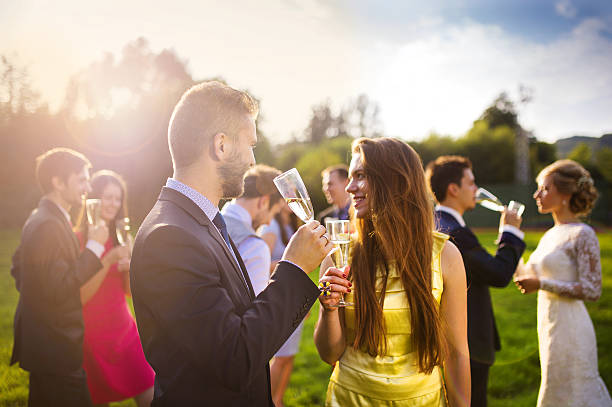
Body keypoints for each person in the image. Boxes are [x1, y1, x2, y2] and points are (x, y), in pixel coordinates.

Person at [129, 81, 332, 406]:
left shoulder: (203, 220)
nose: (253, 160)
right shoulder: (171, 237)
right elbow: (234, 360)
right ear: (220, 146)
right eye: (250, 144)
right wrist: (293, 270)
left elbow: (236, 318)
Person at [314, 138, 470, 406]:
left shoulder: (446, 256)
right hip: (350, 399)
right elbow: (329, 354)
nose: (349, 187)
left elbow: (456, 354)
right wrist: (329, 310)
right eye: (350, 177)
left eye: (360, 176)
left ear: (396, 181)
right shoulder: (339, 256)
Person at [10, 148, 109, 406]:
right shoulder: (47, 224)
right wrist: (94, 248)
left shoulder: (44, 217)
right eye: (81, 180)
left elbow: (18, 267)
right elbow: (59, 287)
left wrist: (36, 294)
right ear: (57, 182)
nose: (87, 187)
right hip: (55, 347)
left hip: (47, 344)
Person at [425, 155, 525, 407]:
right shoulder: (454, 232)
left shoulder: (435, 223)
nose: (476, 190)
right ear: (453, 189)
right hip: (466, 343)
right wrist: (510, 232)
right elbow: (499, 273)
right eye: (471, 183)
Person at [515, 159, 611, 407]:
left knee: (577, 390)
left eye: (544, 189)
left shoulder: (583, 234)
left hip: (572, 327)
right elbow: (526, 275)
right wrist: (510, 237)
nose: (537, 195)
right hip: (549, 325)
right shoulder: (550, 234)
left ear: (565, 193)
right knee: (555, 388)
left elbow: (592, 290)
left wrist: (542, 284)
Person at [76, 170, 154, 406]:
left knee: (150, 391)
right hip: (92, 334)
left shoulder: (124, 238)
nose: (113, 204)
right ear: (94, 200)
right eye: (107, 197)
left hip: (123, 329)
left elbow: (129, 292)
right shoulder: (80, 239)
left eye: (117, 198)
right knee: (98, 399)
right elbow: (81, 296)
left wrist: (129, 269)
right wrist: (108, 259)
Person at [260, 203, 302, 407]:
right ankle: (268, 401)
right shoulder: (271, 227)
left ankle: (279, 400)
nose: (293, 199)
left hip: (294, 294)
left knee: (290, 356)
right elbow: (261, 264)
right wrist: (295, 262)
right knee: (281, 356)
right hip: (280, 298)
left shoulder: (292, 225)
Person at [222, 164, 284, 295]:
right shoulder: (254, 247)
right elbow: (258, 312)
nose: (268, 222)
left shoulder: (207, 222)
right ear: (264, 202)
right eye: (273, 213)